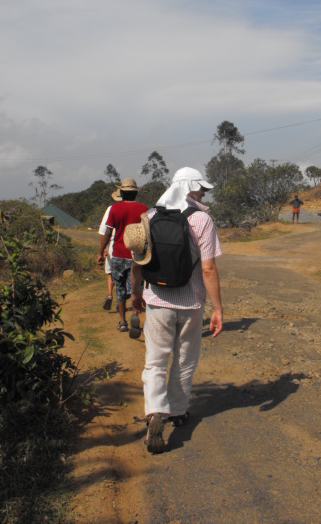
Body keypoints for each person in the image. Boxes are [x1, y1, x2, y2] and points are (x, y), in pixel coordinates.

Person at [128, 167, 223, 454]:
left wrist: (135, 294)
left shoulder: (150, 217)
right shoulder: (202, 220)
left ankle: (156, 411)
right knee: (184, 360)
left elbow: (137, 263)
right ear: (190, 188)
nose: (203, 193)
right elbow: (208, 268)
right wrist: (218, 307)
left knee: (155, 362)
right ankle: (178, 412)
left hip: (157, 301)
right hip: (191, 304)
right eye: (201, 188)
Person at [97, 178, 148, 332]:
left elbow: (107, 232)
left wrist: (101, 252)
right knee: (135, 286)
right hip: (137, 255)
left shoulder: (114, 209)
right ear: (135, 193)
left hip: (118, 253)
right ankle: (135, 314)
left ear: (122, 193)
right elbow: (148, 231)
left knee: (119, 287)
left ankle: (122, 322)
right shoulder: (144, 208)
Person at [98, 188, 122, 310]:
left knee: (110, 272)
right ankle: (121, 300)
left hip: (112, 243)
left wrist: (102, 250)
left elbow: (104, 231)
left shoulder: (111, 209)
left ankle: (109, 294)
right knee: (124, 273)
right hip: (127, 244)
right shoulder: (134, 208)